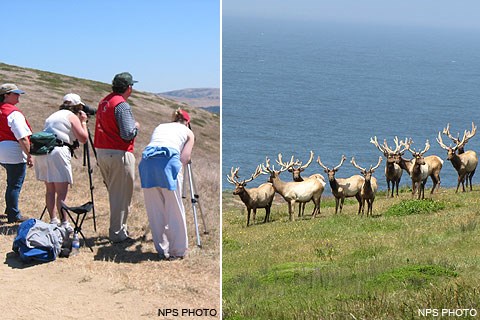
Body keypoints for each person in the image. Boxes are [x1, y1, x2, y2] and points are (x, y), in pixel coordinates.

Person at [139, 108, 195, 260]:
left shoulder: (160, 126)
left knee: (155, 209)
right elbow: (184, 158)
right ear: (187, 123)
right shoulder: (188, 132)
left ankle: (161, 249)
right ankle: (178, 251)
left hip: (147, 163)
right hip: (168, 164)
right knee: (174, 208)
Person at [94, 72, 139, 243]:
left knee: (114, 193)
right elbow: (127, 134)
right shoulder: (122, 105)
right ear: (129, 87)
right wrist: (136, 127)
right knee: (120, 195)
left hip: (102, 152)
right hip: (118, 153)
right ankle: (118, 233)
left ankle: (119, 229)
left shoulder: (104, 101)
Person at [34, 93, 89, 231]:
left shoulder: (53, 116)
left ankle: (53, 220)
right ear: (77, 106)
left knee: (50, 190)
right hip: (59, 152)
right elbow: (83, 138)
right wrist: (83, 122)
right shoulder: (70, 116)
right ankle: (64, 223)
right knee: (61, 192)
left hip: (44, 152)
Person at [0, 83, 33, 223]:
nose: (18, 96)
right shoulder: (13, 113)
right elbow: (22, 137)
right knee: (14, 184)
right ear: (6, 95)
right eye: (15, 93)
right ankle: (13, 214)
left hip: (1, 148)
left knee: (11, 182)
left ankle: (10, 210)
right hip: (13, 149)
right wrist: (30, 155)